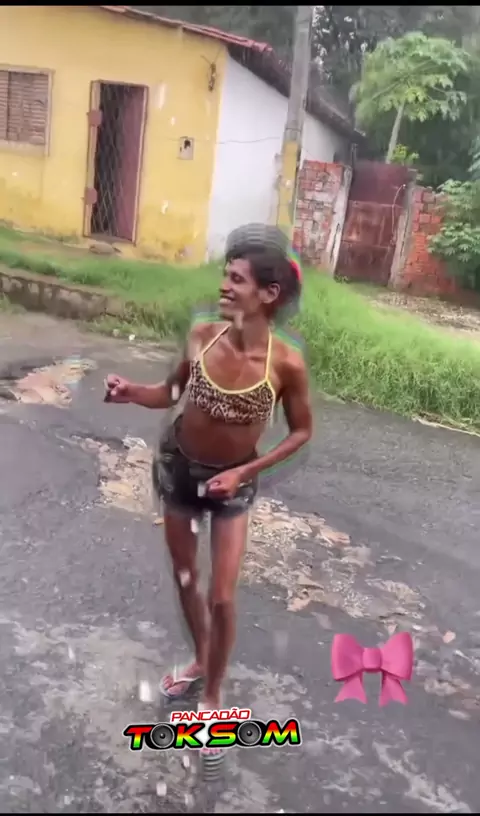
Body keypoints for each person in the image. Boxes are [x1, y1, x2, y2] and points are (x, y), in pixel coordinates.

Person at [105, 241, 313, 754]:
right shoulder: (202, 335)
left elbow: (300, 431)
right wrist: (131, 391)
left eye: (236, 279)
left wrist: (245, 470)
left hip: (232, 486)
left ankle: (213, 696)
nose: (224, 285)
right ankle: (201, 659)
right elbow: (171, 393)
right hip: (179, 470)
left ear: (269, 294)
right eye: (225, 275)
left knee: (222, 597)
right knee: (185, 579)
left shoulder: (286, 364)